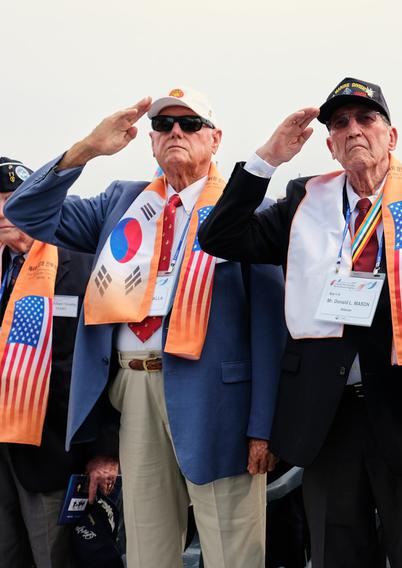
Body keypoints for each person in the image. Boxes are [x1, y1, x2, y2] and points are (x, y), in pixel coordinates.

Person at [197, 77, 402, 568]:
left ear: (392, 136)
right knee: (335, 556)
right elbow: (221, 236)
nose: (353, 130)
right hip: (326, 419)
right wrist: (268, 158)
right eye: (340, 123)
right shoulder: (304, 201)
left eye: (366, 119)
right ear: (329, 144)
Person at [4, 88, 286, 568]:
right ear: (151, 141)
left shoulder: (247, 209)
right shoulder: (122, 201)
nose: (175, 132)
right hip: (132, 389)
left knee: (231, 551)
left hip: (219, 402)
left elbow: (268, 326)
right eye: (163, 125)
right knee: (148, 553)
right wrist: (88, 149)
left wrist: (264, 426)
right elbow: (25, 212)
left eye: (190, 124)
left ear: (215, 139)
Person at [0, 157, 118, 568]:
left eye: (10, 199)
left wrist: (105, 450)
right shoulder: (3, 268)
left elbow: (106, 363)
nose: (2, 211)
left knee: (54, 558)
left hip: (54, 453)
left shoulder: (82, 266)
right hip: (3, 449)